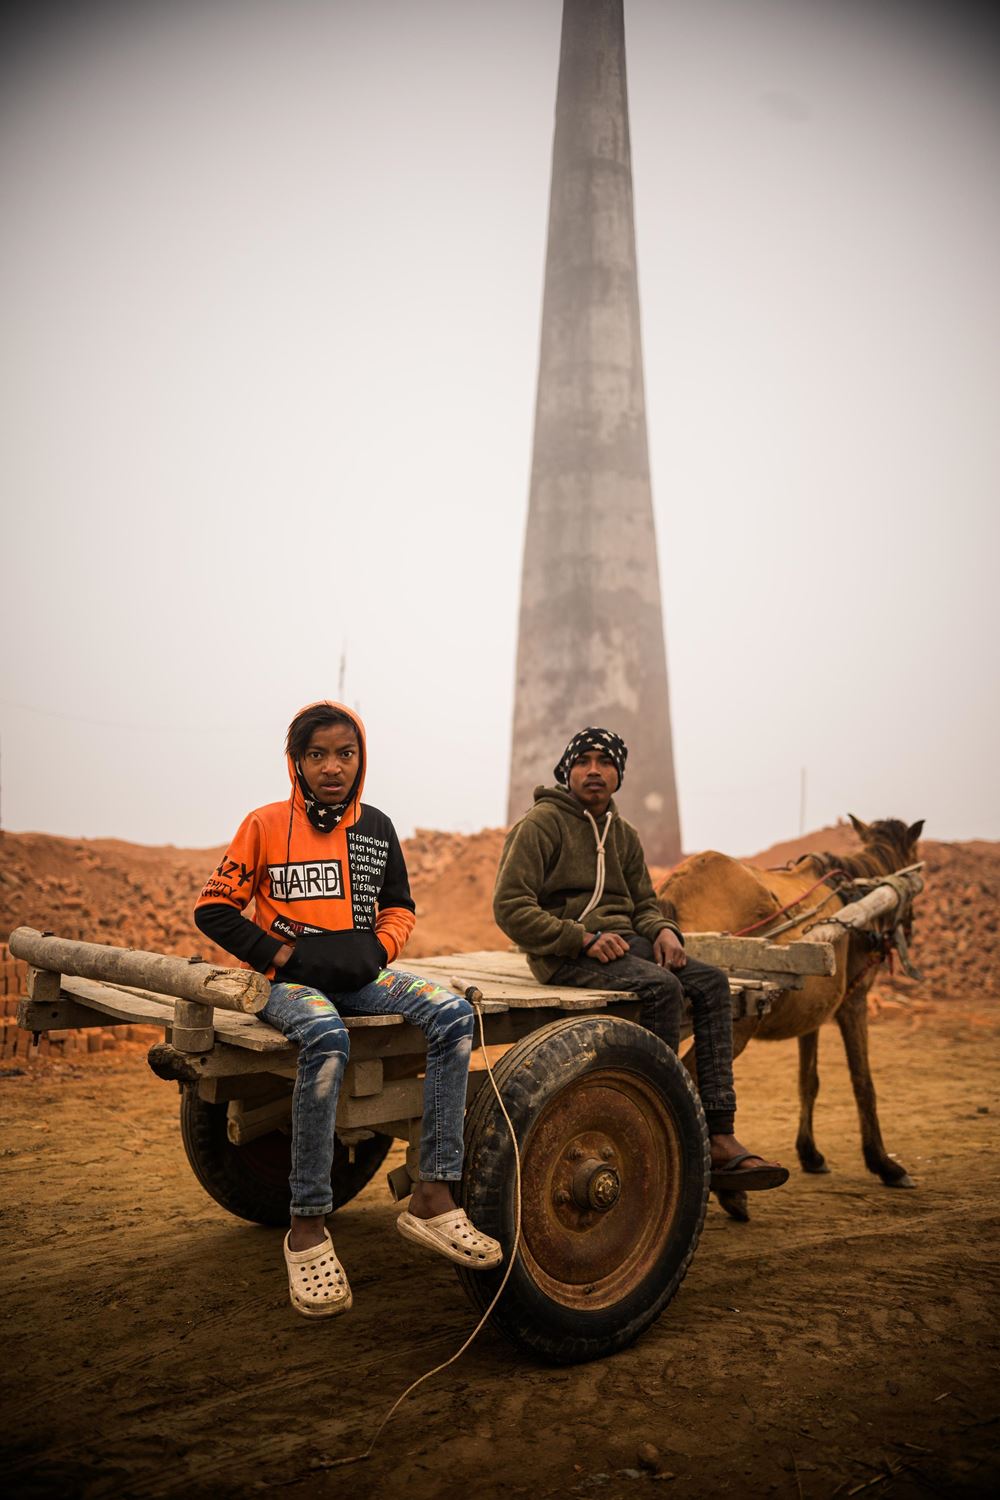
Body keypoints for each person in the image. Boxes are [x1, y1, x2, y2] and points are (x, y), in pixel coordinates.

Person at [195, 700, 501, 1319]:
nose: (332, 767)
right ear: (296, 762)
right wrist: (282, 954)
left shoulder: (376, 827)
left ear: (361, 759)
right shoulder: (264, 824)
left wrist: (378, 950)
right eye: (317, 755)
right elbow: (214, 908)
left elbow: (399, 906)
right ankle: (307, 1227)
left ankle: (434, 1196)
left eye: (345, 754)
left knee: (451, 1015)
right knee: (327, 1037)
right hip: (288, 985)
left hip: (362, 979)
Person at [493, 726, 788, 1202]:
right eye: (583, 761)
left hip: (625, 945)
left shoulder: (624, 834)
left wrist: (663, 930)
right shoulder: (541, 825)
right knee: (661, 988)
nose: (594, 770)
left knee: (711, 983)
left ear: (619, 774)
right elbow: (510, 907)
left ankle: (718, 1131)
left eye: (605, 762)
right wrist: (580, 938)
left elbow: (644, 904)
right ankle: (662, 1128)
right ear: (567, 770)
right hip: (563, 954)